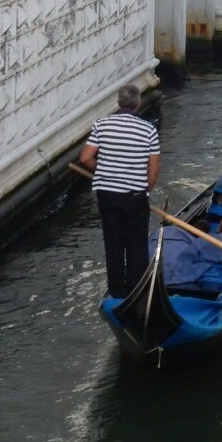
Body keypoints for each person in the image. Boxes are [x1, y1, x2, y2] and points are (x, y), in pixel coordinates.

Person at [79, 83, 160, 298]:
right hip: (135, 195)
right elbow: (152, 171)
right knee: (136, 242)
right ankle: (136, 289)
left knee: (113, 241)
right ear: (138, 103)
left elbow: (85, 158)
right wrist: (144, 188)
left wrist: (103, 171)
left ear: (118, 103)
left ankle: (116, 291)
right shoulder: (149, 130)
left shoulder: (102, 125)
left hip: (107, 194)